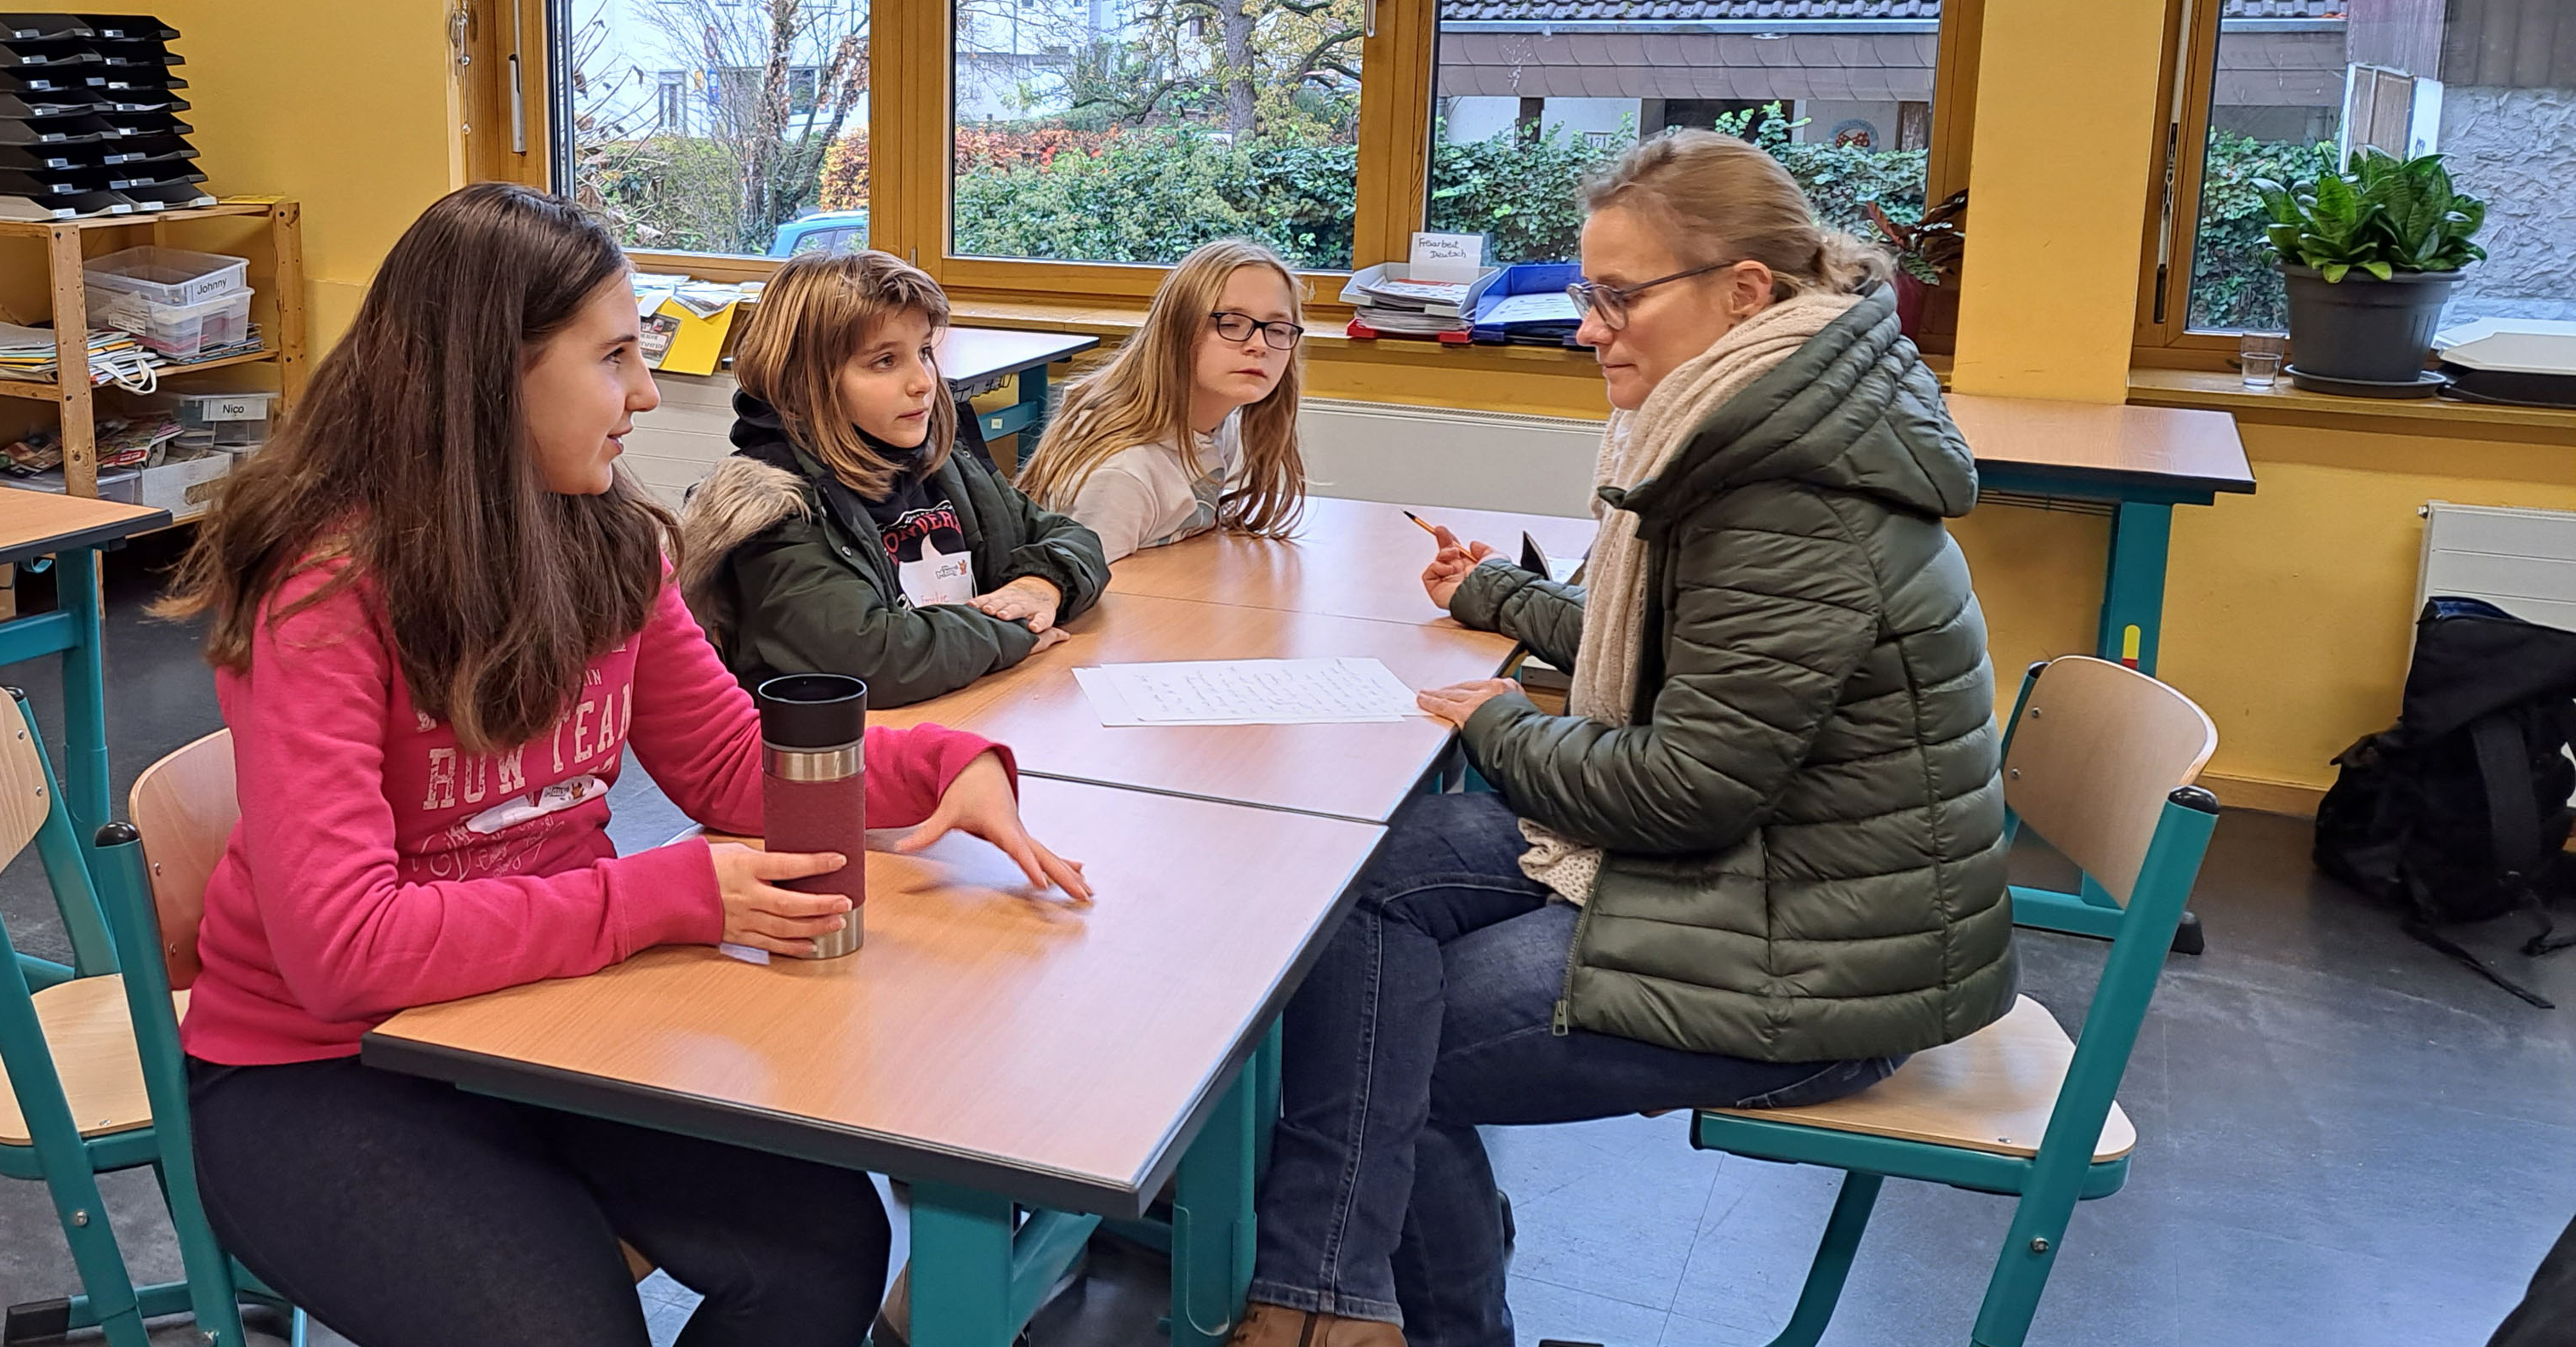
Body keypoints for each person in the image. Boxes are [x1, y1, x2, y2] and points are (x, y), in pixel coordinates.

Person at [166, 185, 1092, 1347]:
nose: (647, 395)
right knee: (563, 1329)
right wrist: (675, 895)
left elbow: (721, 765)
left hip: (540, 1016)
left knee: (828, 1250)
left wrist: (938, 767)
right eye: (614, 359)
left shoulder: (605, 538)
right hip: (317, 1066)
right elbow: (346, 953)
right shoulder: (325, 590)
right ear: (489, 376)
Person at [1231, 132, 2015, 1347]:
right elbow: (1671, 646)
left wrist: (1497, 723)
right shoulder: (1782, 418)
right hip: (1793, 880)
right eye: (1584, 292)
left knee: (1388, 1053)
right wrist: (1502, 597)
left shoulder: (1787, 494)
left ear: (1745, 292)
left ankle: (1375, 1313)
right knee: (1361, 886)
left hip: (1816, 960)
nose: (1588, 326)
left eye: (1617, 297)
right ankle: (1334, 1295)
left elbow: (1684, 793)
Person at [678, 248, 1109, 707]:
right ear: (805, 380)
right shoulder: (774, 506)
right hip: (841, 752)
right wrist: (1013, 627)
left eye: (923, 351)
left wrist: (1040, 585)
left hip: (969, 704)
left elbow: (1070, 538)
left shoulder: (942, 464)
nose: (923, 381)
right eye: (884, 361)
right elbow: (870, 657)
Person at [1020, 237, 1308, 561]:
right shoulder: (1124, 474)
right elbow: (1079, 589)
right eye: (1230, 324)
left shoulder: (1216, 425)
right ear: (1178, 330)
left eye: (1279, 329)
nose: (1260, 344)